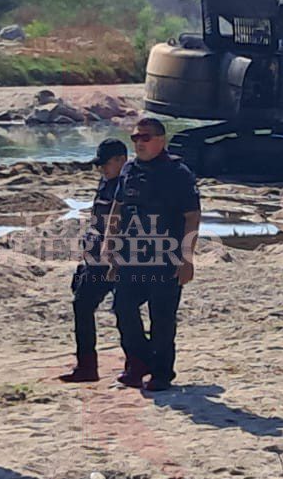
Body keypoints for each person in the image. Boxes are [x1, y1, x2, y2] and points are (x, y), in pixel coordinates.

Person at [102, 117, 200, 392]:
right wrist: (110, 247)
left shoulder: (178, 173)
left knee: (162, 317)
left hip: (164, 256)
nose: (139, 143)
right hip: (130, 254)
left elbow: (192, 217)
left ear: (161, 140)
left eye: (145, 138)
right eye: (135, 138)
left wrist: (187, 259)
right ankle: (137, 364)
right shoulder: (129, 170)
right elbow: (117, 209)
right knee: (123, 308)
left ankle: (161, 373)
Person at [59, 138, 128, 383]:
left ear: (121, 160)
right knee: (83, 305)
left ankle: (135, 366)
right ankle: (87, 366)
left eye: (105, 164)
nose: (101, 169)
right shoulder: (106, 182)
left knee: (124, 312)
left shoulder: (127, 185)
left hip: (117, 260)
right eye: (98, 165)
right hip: (95, 258)